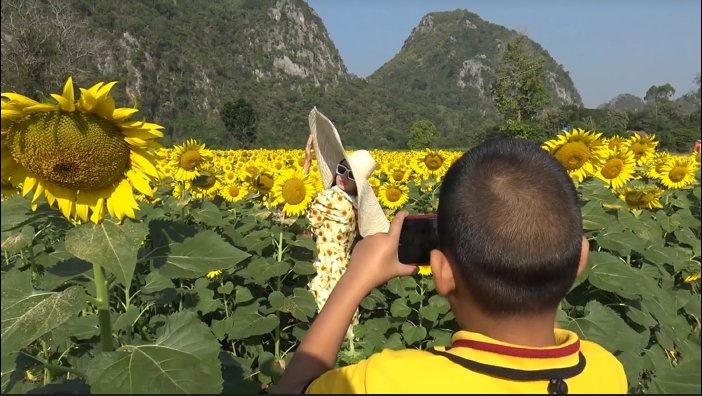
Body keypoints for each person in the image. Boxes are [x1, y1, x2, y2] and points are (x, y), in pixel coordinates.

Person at [275, 137, 628, 394]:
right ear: (581, 257)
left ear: (441, 272)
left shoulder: (388, 382)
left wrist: (354, 279)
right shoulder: (608, 371)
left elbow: (295, 388)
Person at [302, 107, 390, 350]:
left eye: (349, 174)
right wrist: (308, 160)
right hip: (341, 268)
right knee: (342, 332)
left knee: (319, 332)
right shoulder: (353, 205)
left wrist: (306, 166)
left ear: (358, 184)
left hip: (322, 267)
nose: (341, 175)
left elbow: (300, 207)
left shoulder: (333, 200)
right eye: (341, 168)